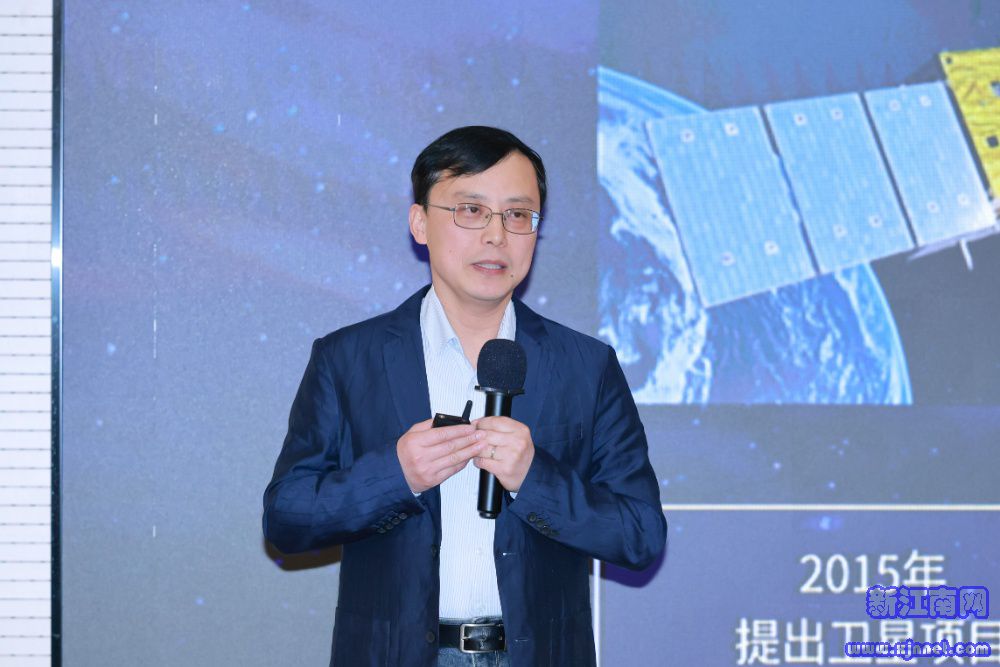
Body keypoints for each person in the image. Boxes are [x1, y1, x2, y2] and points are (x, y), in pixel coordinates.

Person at [263, 126, 666, 667]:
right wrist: (396, 475)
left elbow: (639, 534)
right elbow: (287, 519)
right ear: (420, 223)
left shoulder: (585, 366)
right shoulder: (348, 359)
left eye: (518, 215)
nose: (497, 235)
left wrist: (535, 479)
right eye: (471, 210)